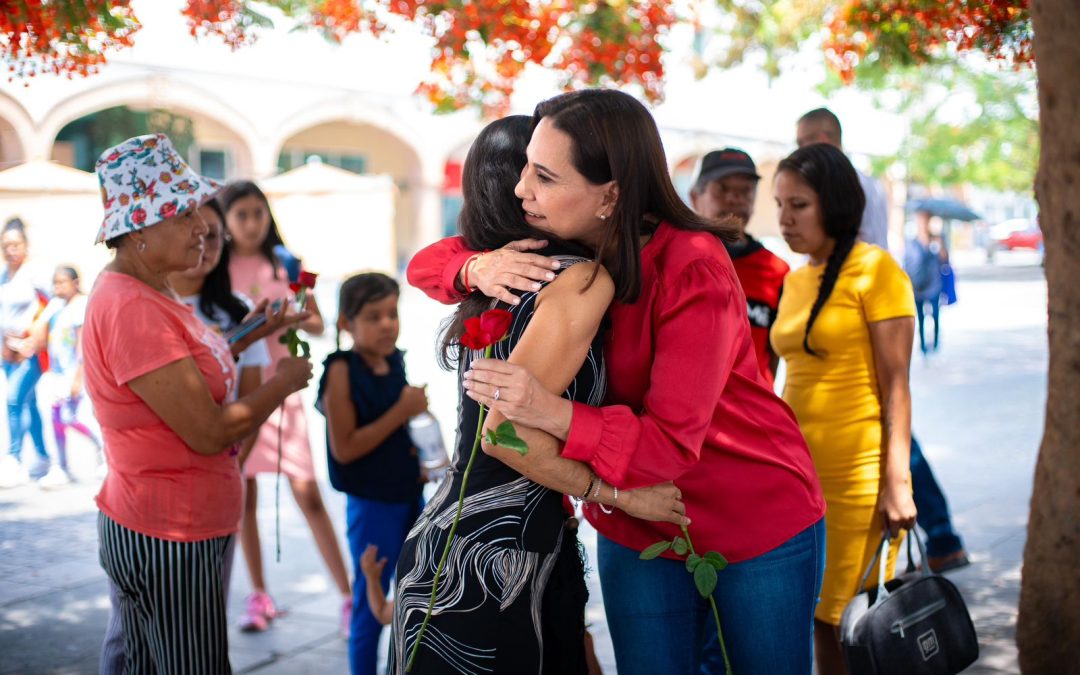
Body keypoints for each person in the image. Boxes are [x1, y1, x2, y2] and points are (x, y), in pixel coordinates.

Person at [408, 92, 827, 675]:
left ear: (611, 193)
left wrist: (550, 412)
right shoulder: (571, 248)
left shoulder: (692, 262)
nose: (521, 189)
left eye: (545, 176)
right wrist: (473, 267)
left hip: (749, 510)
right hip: (636, 519)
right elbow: (431, 260)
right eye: (527, 166)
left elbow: (672, 444)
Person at [392, 114, 688, 675]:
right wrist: (622, 497)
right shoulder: (564, 277)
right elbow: (502, 436)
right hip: (489, 563)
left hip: (467, 547)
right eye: (532, 173)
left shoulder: (498, 281)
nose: (536, 185)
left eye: (547, 173)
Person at [84, 133, 313, 673]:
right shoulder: (131, 306)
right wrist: (280, 384)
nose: (202, 228)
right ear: (139, 230)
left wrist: (253, 330)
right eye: (182, 215)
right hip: (168, 528)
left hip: (172, 520)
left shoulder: (150, 286)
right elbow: (209, 432)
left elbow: (183, 372)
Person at [770, 143, 918, 675]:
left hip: (858, 478)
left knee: (848, 621)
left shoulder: (876, 270)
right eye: (780, 204)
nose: (785, 219)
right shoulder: (794, 279)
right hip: (796, 476)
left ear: (833, 203)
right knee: (815, 618)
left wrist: (896, 483)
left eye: (799, 205)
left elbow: (896, 385)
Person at [800, 107, 969, 573]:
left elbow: (862, 252)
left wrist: (895, 485)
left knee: (896, 429)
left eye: (806, 141)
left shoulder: (858, 190)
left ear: (825, 138)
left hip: (861, 319)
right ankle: (937, 534)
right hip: (837, 319)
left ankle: (934, 531)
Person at [222, 180, 353, 635]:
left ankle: (348, 596)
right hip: (241, 395)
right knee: (245, 498)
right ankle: (259, 595)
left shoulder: (286, 263)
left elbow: (316, 322)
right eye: (241, 214)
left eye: (259, 213)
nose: (252, 223)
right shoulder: (214, 270)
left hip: (285, 394)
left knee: (308, 493)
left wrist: (293, 314)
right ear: (225, 221)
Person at [316, 272, 427, 675]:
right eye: (373, 316)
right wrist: (403, 410)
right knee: (371, 599)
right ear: (346, 323)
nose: (386, 324)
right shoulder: (341, 370)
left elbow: (401, 427)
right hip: (372, 505)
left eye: (392, 314)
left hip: (409, 494)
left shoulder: (394, 359)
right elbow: (344, 448)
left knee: (416, 593)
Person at [689, 147, 789, 383]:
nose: (734, 199)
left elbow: (772, 356)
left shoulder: (776, 271)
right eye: (722, 189)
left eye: (745, 191)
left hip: (752, 411)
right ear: (695, 197)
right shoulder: (679, 258)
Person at [25, 265, 104, 487]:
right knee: (55, 420)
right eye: (55, 283)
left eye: (62, 283)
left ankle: (104, 449)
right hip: (56, 373)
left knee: (75, 417)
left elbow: (83, 344)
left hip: (74, 372)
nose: (58, 287)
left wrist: (78, 377)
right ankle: (60, 466)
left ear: (75, 283)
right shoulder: (57, 306)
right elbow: (39, 334)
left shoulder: (81, 306)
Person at [0, 217, 51, 487]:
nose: (11, 250)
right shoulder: (2, 277)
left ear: (25, 246)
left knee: (12, 401)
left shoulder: (34, 274)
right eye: (6, 245)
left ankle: (14, 459)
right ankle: (42, 456)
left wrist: (36, 335)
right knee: (28, 405)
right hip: (6, 354)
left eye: (16, 245)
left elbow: (56, 303)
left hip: (28, 354)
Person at [796, 107, 889, 250]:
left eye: (802, 143)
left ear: (823, 141)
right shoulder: (870, 183)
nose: (798, 151)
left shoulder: (841, 185)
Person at [904, 210, 946, 355]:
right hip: (918, 286)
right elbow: (907, 264)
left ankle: (934, 343)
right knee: (920, 318)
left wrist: (938, 245)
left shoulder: (936, 240)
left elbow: (945, 260)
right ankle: (922, 345)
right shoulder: (912, 242)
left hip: (934, 284)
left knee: (935, 315)